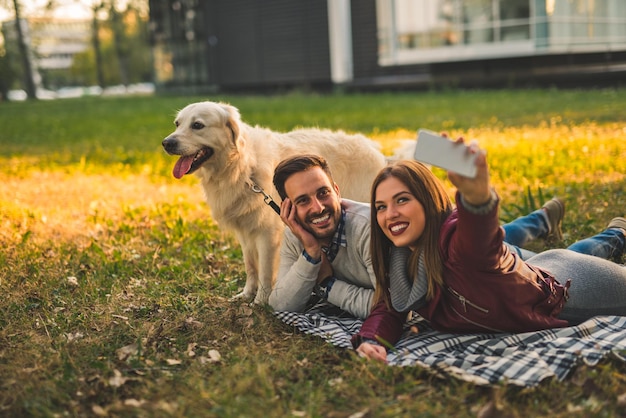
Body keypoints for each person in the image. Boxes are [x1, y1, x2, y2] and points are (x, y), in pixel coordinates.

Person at [353, 142, 626, 362]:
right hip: (545, 266)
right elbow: (388, 309)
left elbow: (478, 234)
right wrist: (373, 341)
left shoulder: (455, 243)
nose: (391, 214)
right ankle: (615, 233)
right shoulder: (401, 262)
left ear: (427, 201)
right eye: (380, 206)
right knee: (567, 253)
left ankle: (618, 234)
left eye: (402, 200)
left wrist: (477, 196)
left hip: (571, 294)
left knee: (578, 261)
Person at [267, 154, 606, 320]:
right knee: (509, 246)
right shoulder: (301, 232)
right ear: (288, 208)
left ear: (336, 190)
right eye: (302, 201)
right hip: (457, 253)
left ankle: (612, 235)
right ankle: (542, 218)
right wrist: (311, 254)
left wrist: (327, 286)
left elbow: (386, 304)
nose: (317, 207)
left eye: (323, 193)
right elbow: (281, 304)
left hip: (456, 256)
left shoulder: (370, 228)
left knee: (554, 266)